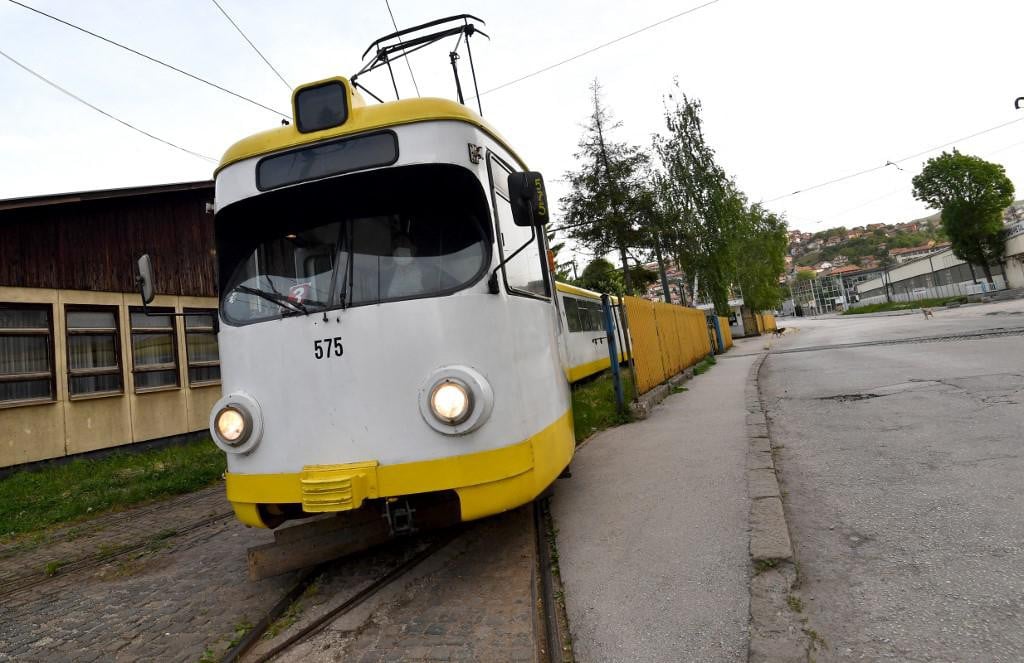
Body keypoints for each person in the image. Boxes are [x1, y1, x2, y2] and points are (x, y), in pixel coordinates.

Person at [385, 234, 425, 299]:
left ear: (414, 249)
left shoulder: (427, 270)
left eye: (403, 245)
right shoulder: (387, 273)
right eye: (396, 246)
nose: (399, 249)